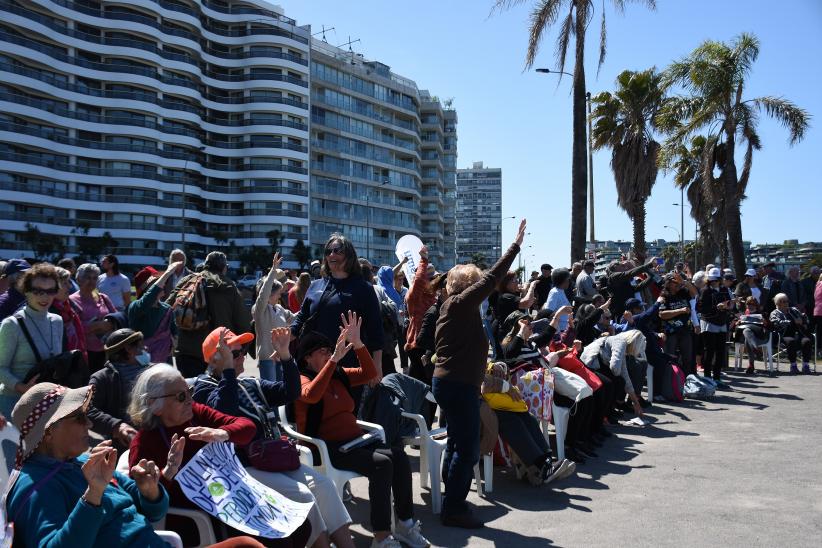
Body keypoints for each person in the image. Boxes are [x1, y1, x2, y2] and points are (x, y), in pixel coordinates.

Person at [194, 326, 355, 548]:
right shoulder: (203, 389)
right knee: (305, 498)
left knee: (325, 486)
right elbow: (224, 411)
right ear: (215, 359)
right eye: (235, 353)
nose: (242, 357)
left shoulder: (248, 382)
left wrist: (286, 356)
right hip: (243, 467)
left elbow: (291, 392)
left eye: (243, 351)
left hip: (274, 458)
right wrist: (228, 371)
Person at [128, 364, 311, 547]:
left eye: (190, 391)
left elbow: (247, 427)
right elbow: (144, 503)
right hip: (198, 517)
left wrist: (223, 433)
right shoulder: (143, 443)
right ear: (154, 405)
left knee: (302, 527)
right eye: (181, 396)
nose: (190, 400)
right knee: (278, 540)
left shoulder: (197, 414)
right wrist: (168, 472)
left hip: (231, 498)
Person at [295, 312, 429, 548]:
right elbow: (311, 396)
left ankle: (406, 524)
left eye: (330, 350)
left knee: (398, 455)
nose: (329, 354)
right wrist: (334, 361)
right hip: (329, 448)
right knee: (381, 463)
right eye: (323, 352)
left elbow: (370, 375)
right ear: (307, 358)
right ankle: (381, 536)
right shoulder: (303, 379)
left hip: (355, 441)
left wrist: (358, 345)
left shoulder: (337, 376)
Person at [433, 219, 526, 529]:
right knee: (468, 446)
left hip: (456, 384)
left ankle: (450, 499)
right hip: (457, 385)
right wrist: (514, 247)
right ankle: (454, 507)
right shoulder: (459, 304)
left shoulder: (461, 309)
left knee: (459, 444)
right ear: (468, 287)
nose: (485, 293)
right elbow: (492, 278)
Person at [5, 382, 176, 547]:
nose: (89, 423)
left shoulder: (83, 461)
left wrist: (149, 490)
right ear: (49, 432)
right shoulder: (35, 487)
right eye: (79, 417)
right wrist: (93, 494)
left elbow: (155, 513)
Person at [291, 234, 383, 375]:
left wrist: (377, 366)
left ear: (349, 255)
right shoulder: (315, 286)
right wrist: (283, 343)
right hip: (315, 366)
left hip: (348, 366)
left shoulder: (364, 288)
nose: (332, 254)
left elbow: (375, 331)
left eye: (338, 250)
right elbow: (300, 320)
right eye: (328, 251)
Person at [481, 361, 575, 485]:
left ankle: (545, 462)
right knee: (511, 421)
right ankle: (540, 468)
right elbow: (481, 383)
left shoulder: (473, 349)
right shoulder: (463, 355)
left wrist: (495, 365)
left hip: (489, 403)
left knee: (527, 417)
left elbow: (485, 368)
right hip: (475, 408)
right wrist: (505, 386)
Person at [167, 251, 252, 378]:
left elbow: (167, 308)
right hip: (218, 356)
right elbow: (243, 322)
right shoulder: (228, 286)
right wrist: (239, 351)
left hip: (186, 352)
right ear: (224, 268)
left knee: (193, 393)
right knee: (217, 394)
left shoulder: (187, 281)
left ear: (206, 265)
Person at [0, 263, 63, 416]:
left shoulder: (57, 321)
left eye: (50, 291)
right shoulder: (11, 324)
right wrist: (23, 387)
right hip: (14, 404)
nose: (45, 296)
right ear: (26, 291)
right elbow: (1, 368)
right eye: (38, 291)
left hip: (46, 403)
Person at [88, 328, 151, 451]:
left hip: (156, 435)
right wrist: (116, 426)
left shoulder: (154, 371)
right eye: (140, 346)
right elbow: (88, 410)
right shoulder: (102, 378)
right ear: (128, 349)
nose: (145, 349)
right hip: (124, 444)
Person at [253, 254, 296, 382]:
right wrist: (273, 271)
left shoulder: (279, 309)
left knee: (280, 392)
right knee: (271, 393)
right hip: (267, 358)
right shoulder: (260, 309)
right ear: (270, 295)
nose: (279, 296)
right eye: (278, 294)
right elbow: (263, 294)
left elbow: (296, 318)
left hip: (280, 356)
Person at [129, 263, 180, 364]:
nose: (163, 284)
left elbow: (175, 335)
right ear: (147, 288)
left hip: (164, 365)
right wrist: (167, 273)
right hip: (142, 365)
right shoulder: (136, 307)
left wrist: (173, 343)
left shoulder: (167, 309)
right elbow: (148, 298)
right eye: (157, 282)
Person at [70, 263, 116, 373]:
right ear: (79, 280)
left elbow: (117, 317)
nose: (91, 281)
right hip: (84, 353)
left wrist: (111, 323)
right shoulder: (72, 300)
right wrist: (96, 326)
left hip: (107, 351)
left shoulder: (103, 297)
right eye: (87, 278)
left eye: (95, 278)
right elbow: (72, 329)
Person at [404, 246, 437, 386]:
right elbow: (419, 282)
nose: (434, 280)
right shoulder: (414, 295)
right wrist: (424, 260)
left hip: (429, 343)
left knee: (420, 380)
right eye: (430, 278)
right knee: (423, 382)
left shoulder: (431, 295)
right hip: (419, 344)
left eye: (434, 277)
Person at [697, 268, 735, 387]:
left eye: (716, 279)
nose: (714, 282)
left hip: (722, 323)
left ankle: (717, 377)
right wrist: (716, 307)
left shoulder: (725, 289)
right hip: (709, 323)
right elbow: (701, 309)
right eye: (712, 280)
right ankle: (708, 377)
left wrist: (730, 305)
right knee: (709, 351)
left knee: (720, 352)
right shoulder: (705, 291)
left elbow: (731, 304)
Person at [658, 273, 698, 375]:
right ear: (668, 284)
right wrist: (680, 310)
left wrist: (684, 282)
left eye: (678, 282)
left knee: (687, 358)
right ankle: (671, 381)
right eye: (674, 282)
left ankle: (687, 381)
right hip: (671, 332)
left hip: (685, 330)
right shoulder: (664, 296)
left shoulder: (683, 292)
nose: (677, 284)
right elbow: (662, 314)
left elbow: (695, 293)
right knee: (670, 358)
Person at [770, 292, 813, 374]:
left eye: (787, 301)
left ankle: (805, 365)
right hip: (784, 334)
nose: (786, 303)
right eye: (783, 301)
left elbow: (804, 318)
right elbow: (777, 323)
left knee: (807, 340)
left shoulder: (794, 310)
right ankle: (793, 365)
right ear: (777, 303)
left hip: (798, 333)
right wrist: (793, 321)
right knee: (791, 341)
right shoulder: (774, 313)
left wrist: (802, 321)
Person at [51, 266, 87, 359]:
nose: (70, 286)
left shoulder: (68, 306)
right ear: (53, 286)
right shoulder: (49, 311)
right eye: (64, 283)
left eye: (69, 282)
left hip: (73, 360)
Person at [735, 297, 770, 376]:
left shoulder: (761, 313)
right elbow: (734, 326)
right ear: (746, 305)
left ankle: (751, 364)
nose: (750, 306)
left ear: (756, 305)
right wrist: (738, 322)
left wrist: (764, 322)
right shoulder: (743, 313)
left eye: (753, 304)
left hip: (758, 334)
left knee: (747, 330)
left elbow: (770, 326)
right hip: (744, 336)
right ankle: (755, 350)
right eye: (748, 304)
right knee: (747, 332)